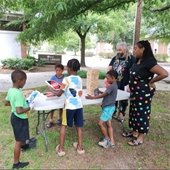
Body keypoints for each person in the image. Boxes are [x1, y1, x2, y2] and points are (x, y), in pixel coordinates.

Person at [123, 40, 168, 146]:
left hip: (143, 93)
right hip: (135, 92)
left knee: (142, 113)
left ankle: (141, 137)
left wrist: (151, 81)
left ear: (143, 49)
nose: (134, 50)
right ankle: (134, 132)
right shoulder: (137, 60)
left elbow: (164, 73)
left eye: (136, 48)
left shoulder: (149, 62)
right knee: (134, 112)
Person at [55, 59, 85, 156]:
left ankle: (61, 149)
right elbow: (79, 92)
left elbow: (59, 93)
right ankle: (80, 148)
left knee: (64, 126)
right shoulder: (80, 79)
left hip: (69, 107)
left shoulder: (66, 79)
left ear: (69, 68)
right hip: (79, 106)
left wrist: (52, 89)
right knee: (79, 126)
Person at [86, 70, 118, 148]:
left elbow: (104, 95)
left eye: (108, 78)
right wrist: (99, 91)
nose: (106, 80)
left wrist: (92, 97)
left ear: (113, 78)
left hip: (108, 108)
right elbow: (106, 94)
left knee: (100, 123)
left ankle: (107, 140)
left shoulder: (111, 86)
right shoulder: (114, 85)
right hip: (110, 107)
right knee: (108, 124)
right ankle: (112, 142)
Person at [5, 70, 30, 169]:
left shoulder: (11, 90)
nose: (25, 83)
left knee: (21, 136)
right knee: (18, 140)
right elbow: (19, 111)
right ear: (20, 81)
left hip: (14, 117)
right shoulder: (18, 94)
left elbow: (6, 103)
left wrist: (17, 103)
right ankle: (16, 163)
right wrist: (29, 107)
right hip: (19, 118)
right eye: (24, 81)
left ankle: (24, 146)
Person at [108, 42, 135, 122]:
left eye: (120, 50)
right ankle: (113, 112)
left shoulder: (131, 59)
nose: (118, 51)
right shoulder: (115, 58)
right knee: (114, 98)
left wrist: (130, 84)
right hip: (114, 83)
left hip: (125, 83)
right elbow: (109, 67)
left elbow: (134, 72)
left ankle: (121, 114)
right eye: (117, 50)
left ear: (125, 49)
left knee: (123, 100)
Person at [46, 63, 65, 128]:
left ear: (62, 71)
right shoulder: (53, 77)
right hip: (54, 94)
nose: (58, 72)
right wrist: (52, 91)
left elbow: (65, 87)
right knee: (52, 107)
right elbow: (49, 86)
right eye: (56, 70)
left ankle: (60, 118)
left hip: (62, 95)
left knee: (61, 107)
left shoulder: (65, 78)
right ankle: (51, 120)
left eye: (59, 70)